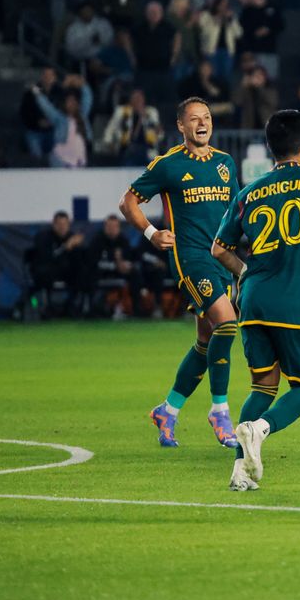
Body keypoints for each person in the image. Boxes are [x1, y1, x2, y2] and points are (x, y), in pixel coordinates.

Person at [212, 109, 300, 491]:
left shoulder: (249, 192)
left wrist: (245, 274)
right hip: (296, 300)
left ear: (272, 148)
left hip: (253, 301)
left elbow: (219, 249)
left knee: (262, 387)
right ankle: (260, 429)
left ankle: (240, 472)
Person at [120, 97, 242, 449]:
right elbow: (127, 202)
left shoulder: (225, 163)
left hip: (222, 260)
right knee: (228, 323)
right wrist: (151, 233)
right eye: (194, 119)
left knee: (206, 343)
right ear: (181, 126)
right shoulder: (168, 165)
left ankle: (168, 410)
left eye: (206, 117)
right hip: (189, 258)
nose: (202, 123)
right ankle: (220, 411)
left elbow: (236, 213)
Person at [28, 212, 92, 314]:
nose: (62, 227)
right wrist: (66, 247)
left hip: (67, 272)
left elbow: (80, 260)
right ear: (54, 224)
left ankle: (75, 307)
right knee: (41, 277)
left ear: (69, 225)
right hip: (48, 271)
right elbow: (46, 258)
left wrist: (78, 247)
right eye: (59, 224)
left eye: (64, 224)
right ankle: (40, 308)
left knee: (83, 273)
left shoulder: (73, 238)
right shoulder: (43, 237)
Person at [90, 214, 145, 319]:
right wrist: (116, 265)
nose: (112, 229)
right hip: (100, 274)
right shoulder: (97, 241)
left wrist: (125, 265)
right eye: (109, 226)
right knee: (86, 274)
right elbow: (93, 262)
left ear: (119, 228)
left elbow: (129, 260)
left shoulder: (123, 241)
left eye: (115, 227)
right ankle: (93, 310)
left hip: (120, 273)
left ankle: (135, 308)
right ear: (105, 227)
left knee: (135, 273)